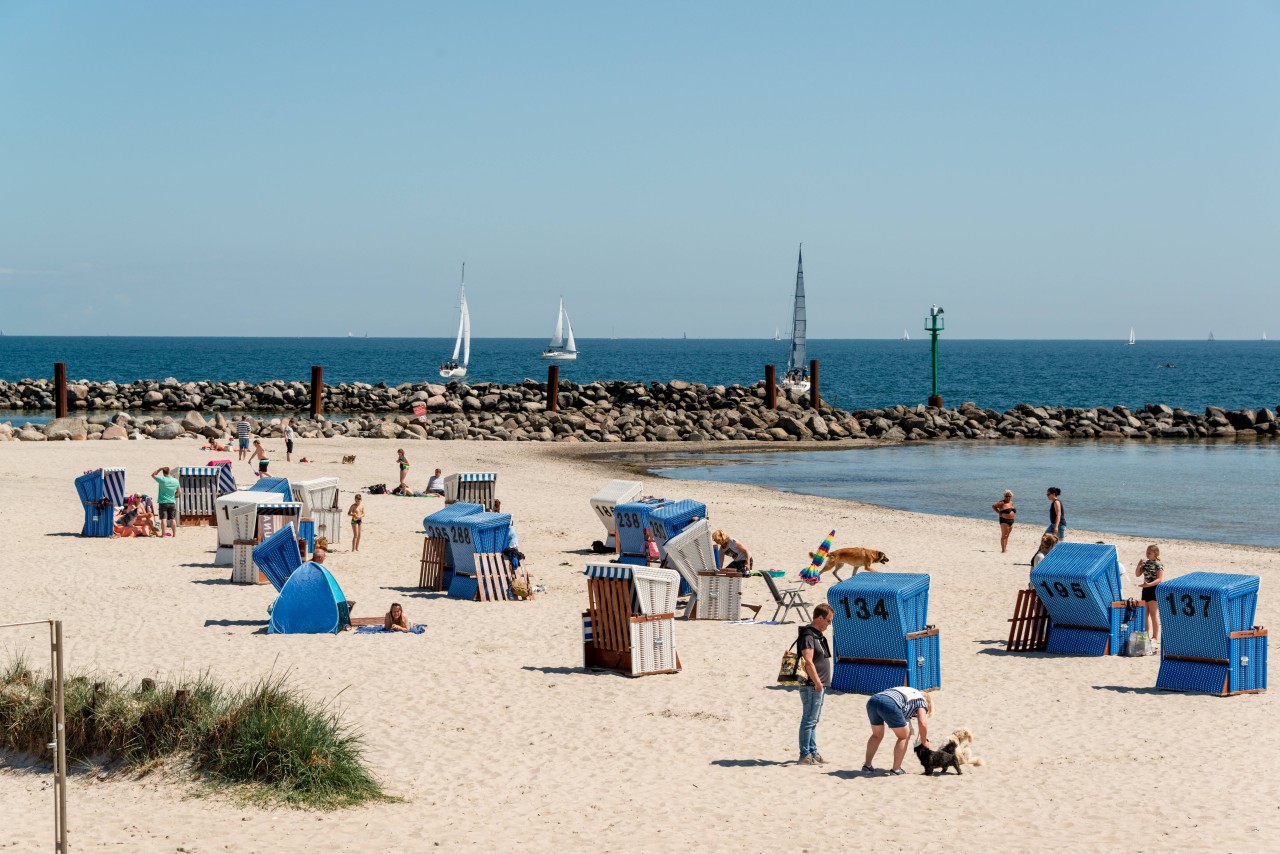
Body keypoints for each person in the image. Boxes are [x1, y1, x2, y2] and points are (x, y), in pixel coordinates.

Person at [863, 686, 934, 776]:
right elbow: (922, 723)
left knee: (876, 735)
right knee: (904, 736)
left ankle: (867, 765)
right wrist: (924, 742)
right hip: (890, 703)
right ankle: (896, 769)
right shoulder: (922, 701)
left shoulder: (910, 692)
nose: (915, 715)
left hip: (873, 700)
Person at [797, 603, 833, 766]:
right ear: (819, 618)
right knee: (809, 720)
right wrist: (817, 682)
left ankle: (812, 752)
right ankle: (805, 754)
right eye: (828, 620)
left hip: (817, 685)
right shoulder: (808, 636)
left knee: (813, 720)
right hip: (812, 685)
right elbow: (808, 661)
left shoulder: (816, 635)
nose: (829, 624)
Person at [1135, 544, 1164, 649]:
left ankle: (1155, 637)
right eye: (1147, 552)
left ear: (1155, 554)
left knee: (1153, 614)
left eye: (1149, 552)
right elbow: (1137, 574)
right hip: (1145, 589)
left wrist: (1149, 585)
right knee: (1145, 614)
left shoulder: (1158, 564)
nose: (1147, 554)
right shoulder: (1146, 563)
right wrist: (1139, 566)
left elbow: (1159, 579)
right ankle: (1146, 635)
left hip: (1153, 589)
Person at [151, 467, 181, 538]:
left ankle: (163, 534)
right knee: (172, 519)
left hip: (163, 502)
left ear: (163, 472)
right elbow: (179, 491)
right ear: (169, 472)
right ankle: (174, 535)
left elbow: (153, 475)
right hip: (172, 502)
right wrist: (174, 495)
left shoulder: (162, 479)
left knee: (163, 519)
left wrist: (159, 469)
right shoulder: (175, 481)